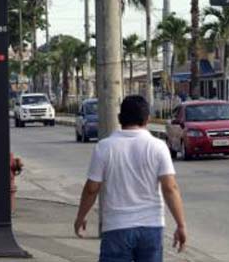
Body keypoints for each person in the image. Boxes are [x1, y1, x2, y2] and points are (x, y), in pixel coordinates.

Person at [73, 95, 187, 262]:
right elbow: (170, 188)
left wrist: (80, 217)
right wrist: (181, 225)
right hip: (151, 227)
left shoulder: (104, 147)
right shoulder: (158, 147)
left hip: (116, 228)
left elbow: (91, 189)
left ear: (120, 118)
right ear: (147, 119)